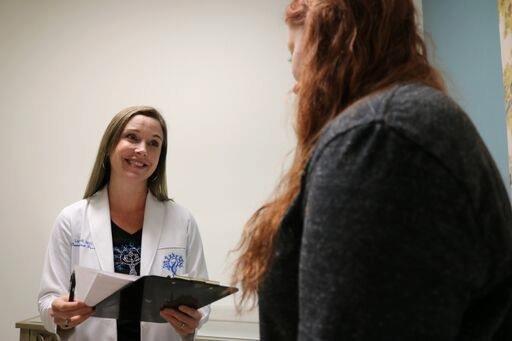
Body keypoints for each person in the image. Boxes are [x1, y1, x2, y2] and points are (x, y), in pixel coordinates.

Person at [233, 0, 512, 340]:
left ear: (330, 39)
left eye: (293, 51)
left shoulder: (378, 139)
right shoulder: (402, 125)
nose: (295, 84)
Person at [38, 106, 209, 340]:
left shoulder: (182, 221)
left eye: (154, 143)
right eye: (132, 137)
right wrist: (59, 314)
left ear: (160, 157)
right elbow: (48, 299)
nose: (142, 150)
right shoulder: (72, 219)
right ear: (110, 145)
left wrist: (193, 320)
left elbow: (201, 300)